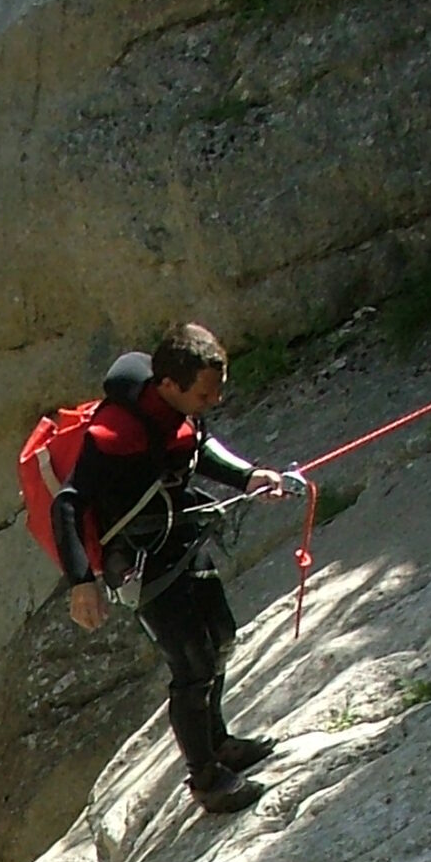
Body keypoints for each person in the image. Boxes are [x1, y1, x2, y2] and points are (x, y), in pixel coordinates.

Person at [52, 323, 297, 814]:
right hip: (141, 561)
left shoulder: (176, 412)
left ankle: (219, 743)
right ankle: (206, 780)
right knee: (192, 665)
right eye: (205, 393)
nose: (214, 401)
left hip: (179, 537)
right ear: (169, 385)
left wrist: (247, 477)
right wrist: (82, 582)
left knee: (221, 636)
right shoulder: (113, 435)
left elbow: (195, 447)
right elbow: (68, 505)